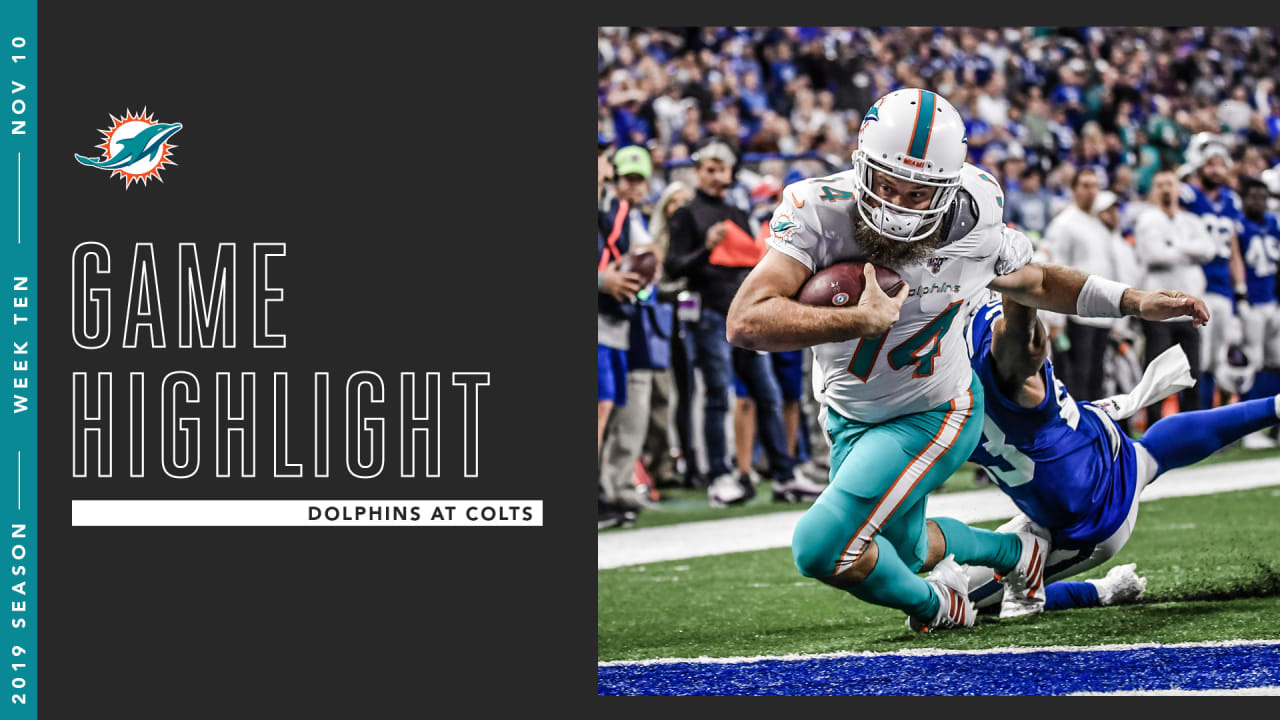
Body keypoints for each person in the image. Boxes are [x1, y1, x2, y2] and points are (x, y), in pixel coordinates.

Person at [726, 88, 1209, 631]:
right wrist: (856, 320)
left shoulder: (974, 217)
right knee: (900, 555)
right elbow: (746, 321)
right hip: (848, 411)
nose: (898, 207)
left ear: (949, 189)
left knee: (819, 547)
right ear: (861, 167)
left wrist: (1134, 300)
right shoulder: (818, 210)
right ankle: (1013, 554)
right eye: (887, 185)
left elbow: (1038, 282)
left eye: (918, 194)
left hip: (935, 409)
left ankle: (942, 607)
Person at [960, 291, 1279, 611]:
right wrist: (1134, 300)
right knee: (1150, 454)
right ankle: (1273, 406)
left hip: (1085, 515)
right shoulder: (977, 322)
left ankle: (1100, 590)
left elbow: (1026, 295)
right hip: (1090, 438)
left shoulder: (980, 355)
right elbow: (1034, 282)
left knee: (955, 602)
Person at [666, 140, 797, 506]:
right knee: (718, 395)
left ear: (729, 173)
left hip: (745, 316)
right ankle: (719, 476)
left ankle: (785, 476)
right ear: (697, 172)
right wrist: (706, 248)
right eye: (708, 168)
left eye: (720, 169)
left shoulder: (737, 213)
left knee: (767, 395)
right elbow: (674, 266)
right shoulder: (687, 214)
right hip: (708, 314)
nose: (714, 175)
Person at [1134, 170, 1217, 428]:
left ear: (1178, 189)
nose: (1166, 189)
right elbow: (1153, 256)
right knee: (1157, 373)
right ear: (1154, 191)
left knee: (1192, 371)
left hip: (1189, 308)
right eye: (1160, 185)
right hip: (1158, 309)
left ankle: (1190, 428)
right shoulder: (1147, 220)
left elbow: (1209, 250)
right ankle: (1154, 427)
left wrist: (1173, 247)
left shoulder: (1191, 220)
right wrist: (1186, 251)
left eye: (1170, 184)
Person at [1180, 139, 1249, 409]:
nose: (1216, 170)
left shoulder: (1231, 201)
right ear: (1199, 165)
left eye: (1221, 165)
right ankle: (1199, 415)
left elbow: (1233, 250)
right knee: (1201, 357)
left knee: (1222, 356)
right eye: (1210, 164)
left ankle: (1223, 418)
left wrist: (1240, 287)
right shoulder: (1188, 196)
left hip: (1223, 288)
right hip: (1199, 285)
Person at [1042, 168, 1118, 402]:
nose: (1091, 191)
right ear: (1074, 190)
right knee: (1076, 376)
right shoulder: (1065, 223)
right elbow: (1056, 268)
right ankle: (1074, 429)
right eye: (1085, 185)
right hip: (1076, 312)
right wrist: (1056, 318)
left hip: (1101, 312)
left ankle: (1093, 428)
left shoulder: (1099, 225)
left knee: (1097, 376)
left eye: (1095, 185)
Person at [1234, 177, 1280, 448]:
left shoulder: (1273, 224)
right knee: (1252, 363)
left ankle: (1274, 426)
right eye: (1253, 197)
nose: (1258, 202)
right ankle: (1247, 428)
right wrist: (1240, 297)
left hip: (1272, 301)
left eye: (1262, 197)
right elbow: (1234, 261)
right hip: (1250, 303)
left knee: (1276, 363)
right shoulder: (1239, 226)